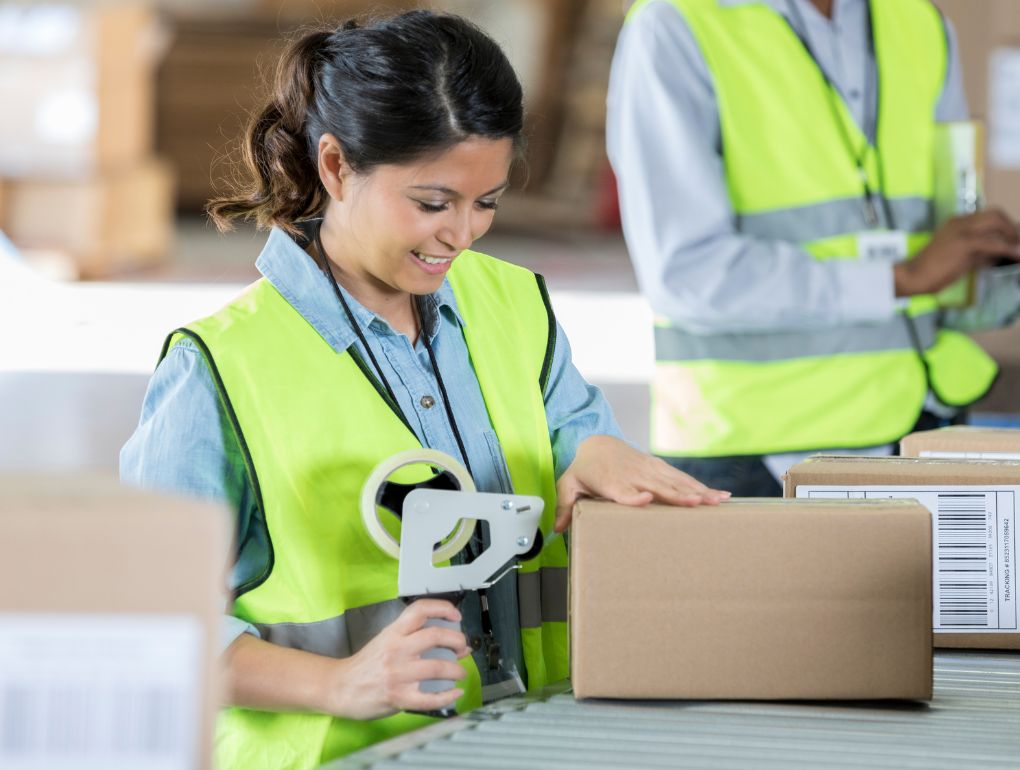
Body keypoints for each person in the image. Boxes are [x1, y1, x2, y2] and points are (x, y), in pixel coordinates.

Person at [121, 11, 728, 769]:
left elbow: (572, 424)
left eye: (487, 202)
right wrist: (341, 682)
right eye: (433, 203)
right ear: (336, 167)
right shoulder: (219, 369)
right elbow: (143, 627)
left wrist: (598, 451)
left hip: (525, 742)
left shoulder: (513, 306)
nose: (462, 234)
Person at [607, 0, 1020, 495]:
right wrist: (901, 278)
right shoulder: (675, 24)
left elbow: (941, 262)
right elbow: (686, 274)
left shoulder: (917, 22)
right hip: (752, 454)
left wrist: (993, 275)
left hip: (917, 426)